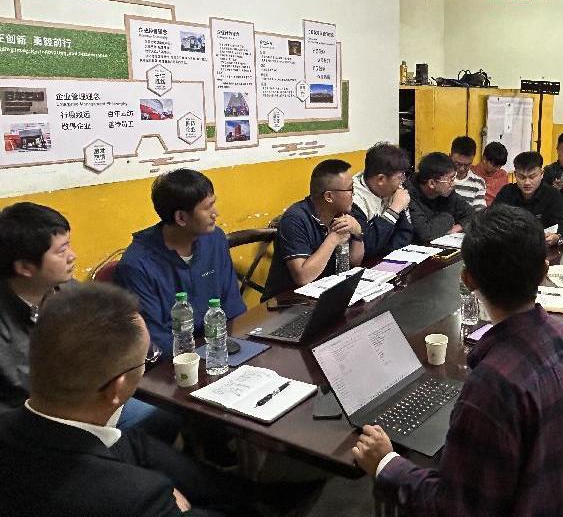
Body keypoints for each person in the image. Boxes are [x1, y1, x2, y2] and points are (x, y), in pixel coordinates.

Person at [352, 205, 563, 516]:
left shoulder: (493, 386)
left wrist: (386, 463)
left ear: (467, 279)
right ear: (544, 271)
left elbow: (455, 507)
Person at [0, 282, 246, 516]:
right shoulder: (136, 497)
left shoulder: (25, 424)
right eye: (145, 359)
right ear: (116, 388)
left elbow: (130, 445)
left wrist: (249, 492)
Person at [114, 169, 245, 355]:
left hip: (220, 349)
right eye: (207, 208)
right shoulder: (136, 265)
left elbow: (233, 307)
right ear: (181, 218)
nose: (216, 213)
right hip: (174, 361)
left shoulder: (215, 239)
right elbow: (155, 341)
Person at [0, 203, 76, 412]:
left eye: (68, 246)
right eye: (61, 251)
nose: (72, 256)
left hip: (82, 401)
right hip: (28, 419)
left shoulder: (69, 290)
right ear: (25, 267)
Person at [263, 159, 364, 300]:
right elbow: (303, 277)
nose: (354, 194)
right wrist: (333, 239)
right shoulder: (295, 219)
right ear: (329, 196)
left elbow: (354, 263)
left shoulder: (342, 213)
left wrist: (358, 233)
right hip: (287, 302)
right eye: (350, 189)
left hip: (326, 292)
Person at [351, 143, 413, 260]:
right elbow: (367, 247)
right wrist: (394, 210)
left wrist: (386, 249)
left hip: (391, 260)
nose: (402, 182)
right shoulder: (352, 200)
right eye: (400, 177)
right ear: (381, 179)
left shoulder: (392, 190)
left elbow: (406, 235)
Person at [493, 151, 563, 246]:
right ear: (515, 174)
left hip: (542, 247)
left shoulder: (553, 194)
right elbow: (493, 219)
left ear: (542, 174)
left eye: (532, 177)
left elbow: (561, 225)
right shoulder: (506, 192)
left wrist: (557, 237)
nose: (527, 182)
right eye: (521, 177)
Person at [405, 152, 474, 243]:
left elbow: (474, 215)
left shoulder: (447, 192)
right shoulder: (407, 195)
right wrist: (449, 219)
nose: (453, 184)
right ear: (432, 183)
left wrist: (457, 227)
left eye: (453, 178)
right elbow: (425, 233)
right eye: (450, 179)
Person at [450, 136, 486, 211]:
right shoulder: (440, 178)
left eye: (467, 165)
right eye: (458, 164)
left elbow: (479, 213)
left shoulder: (478, 183)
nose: (462, 169)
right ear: (450, 156)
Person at [471, 141, 509, 205]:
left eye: (500, 166)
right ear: (484, 159)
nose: (497, 169)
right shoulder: (471, 172)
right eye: (494, 165)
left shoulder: (503, 175)